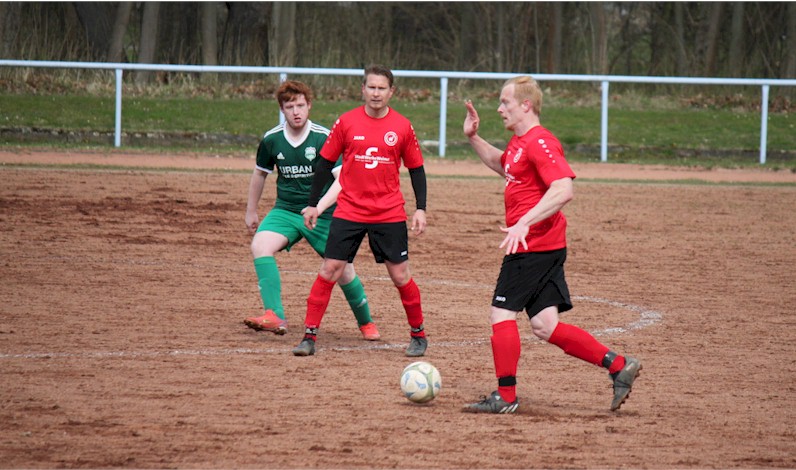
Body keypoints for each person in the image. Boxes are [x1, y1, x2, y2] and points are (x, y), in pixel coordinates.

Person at [461, 76, 642, 413]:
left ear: (526, 105)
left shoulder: (540, 142)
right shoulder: (519, 142)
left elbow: (563, 189)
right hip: (544, 245)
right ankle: (619, 366)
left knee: (501, 313)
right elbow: (505, 167)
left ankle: (506, 397)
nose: (499, 109)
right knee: (545, 326)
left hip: (533, 245)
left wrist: (523, 223)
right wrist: (473, 138)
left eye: (506, 102)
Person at [292, 64, 429, 357]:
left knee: (400, 275)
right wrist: (314, 204)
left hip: (389, 212)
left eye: (382, 88)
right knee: (330, 269)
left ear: (391, 92)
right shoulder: (346, 122)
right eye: (371, 87)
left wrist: (421, 209)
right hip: (350, 210)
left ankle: (418, 334)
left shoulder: (403, 126)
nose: (376, 93)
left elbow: (416, 169)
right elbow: (325, 164)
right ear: (362, 90)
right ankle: (309, 336)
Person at [243, 80, 380, 341]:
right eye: (289, 106)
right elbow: (260, 174)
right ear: (282, 109)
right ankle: (275, 315)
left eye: (301, 105)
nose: (296, 111)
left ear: (309, 106)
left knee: (343, 269)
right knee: (260, 246)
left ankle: (366, 323)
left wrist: (317, 207)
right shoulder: (272, 139)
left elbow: (343, 180)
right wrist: (251, 211)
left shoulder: (324, 137)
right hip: (286, 210)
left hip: (325, 213)